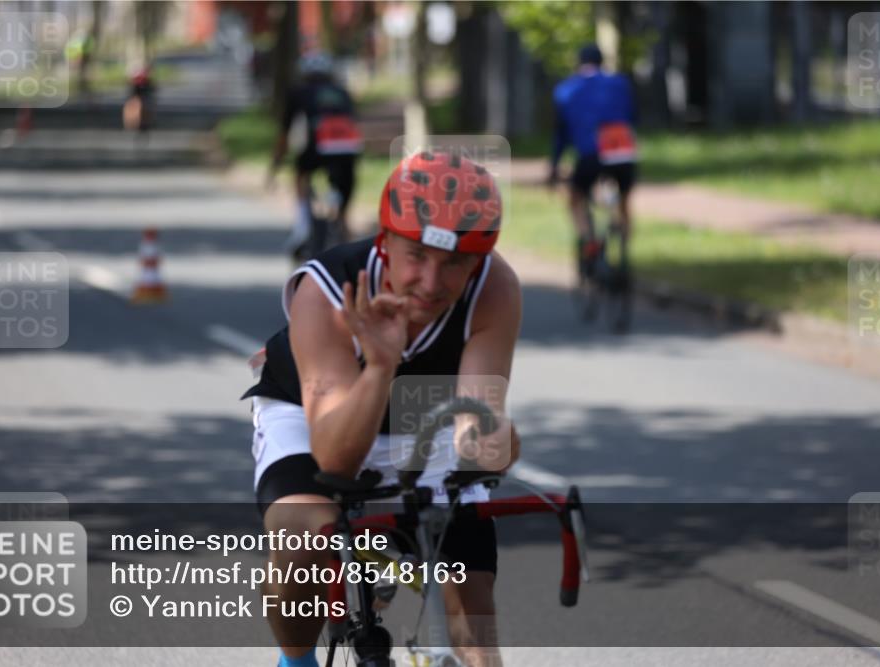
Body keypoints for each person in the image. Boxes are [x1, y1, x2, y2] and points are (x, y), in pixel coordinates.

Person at [243, 151, 523, 667]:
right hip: (311, 419)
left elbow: (476, 423)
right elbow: (334, 461)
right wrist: (379, 366)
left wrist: (491, 438)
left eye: (455, 263)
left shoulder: (495, 289)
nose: (432, 283)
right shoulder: (326, 291)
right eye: (416, 255)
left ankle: (383, 566)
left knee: (475, 621)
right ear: (384, 240)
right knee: (302, 536)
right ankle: (297, 660)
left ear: (478, 262)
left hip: (420, 418)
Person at [549, 43, 638, 278]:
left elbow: (561, 134)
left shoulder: (566, 90)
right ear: (602, 62)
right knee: (623, 199)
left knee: (576, 198)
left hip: (590, 154)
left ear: (579, 63)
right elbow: (630, 116)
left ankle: (589, 240)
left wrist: (554, 166)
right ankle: (624, 248)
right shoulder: (620, 83)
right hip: (622, 151)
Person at [268, 51, 363, 260]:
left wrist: (276, 163)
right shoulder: (342, 92)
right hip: (348, 148)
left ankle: (302, 228)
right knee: (344, 198)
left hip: (317, 147)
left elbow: (285, 132)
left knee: (301, 176)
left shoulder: (298, 92)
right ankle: (346, 234)